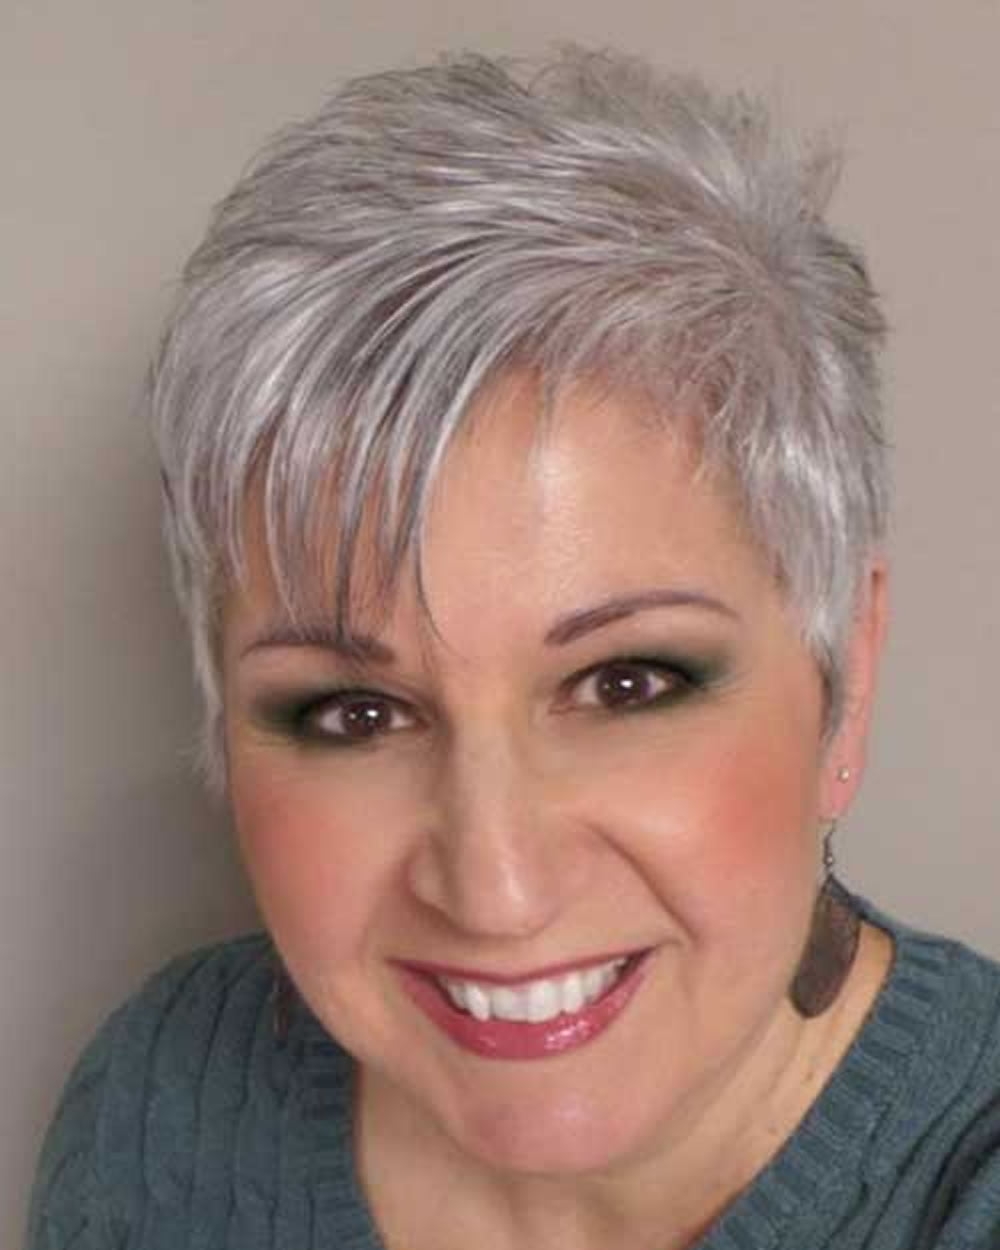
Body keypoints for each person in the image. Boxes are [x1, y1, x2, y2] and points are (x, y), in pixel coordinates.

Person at [26, 47, 1000, 1250]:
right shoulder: (158, 1114)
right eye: (356, 711)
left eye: (625, 683)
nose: (496, 890)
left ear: (840, 681)